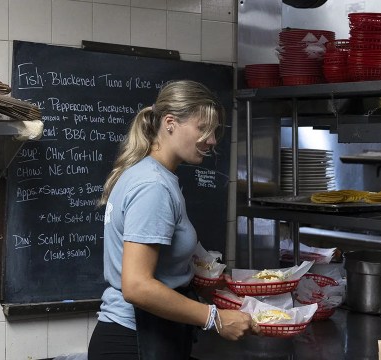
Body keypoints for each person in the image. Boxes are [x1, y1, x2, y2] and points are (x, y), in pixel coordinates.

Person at [88, 80, 260, 360]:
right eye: (203, 129)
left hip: (147, 336)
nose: (213, 140)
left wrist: (201, 278)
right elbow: (137, 286)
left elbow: (156, 268)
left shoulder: (150, 175)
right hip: (135, 342)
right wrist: (214, 317)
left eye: (215, 131)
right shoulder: (153, 186)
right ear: (170, 122)